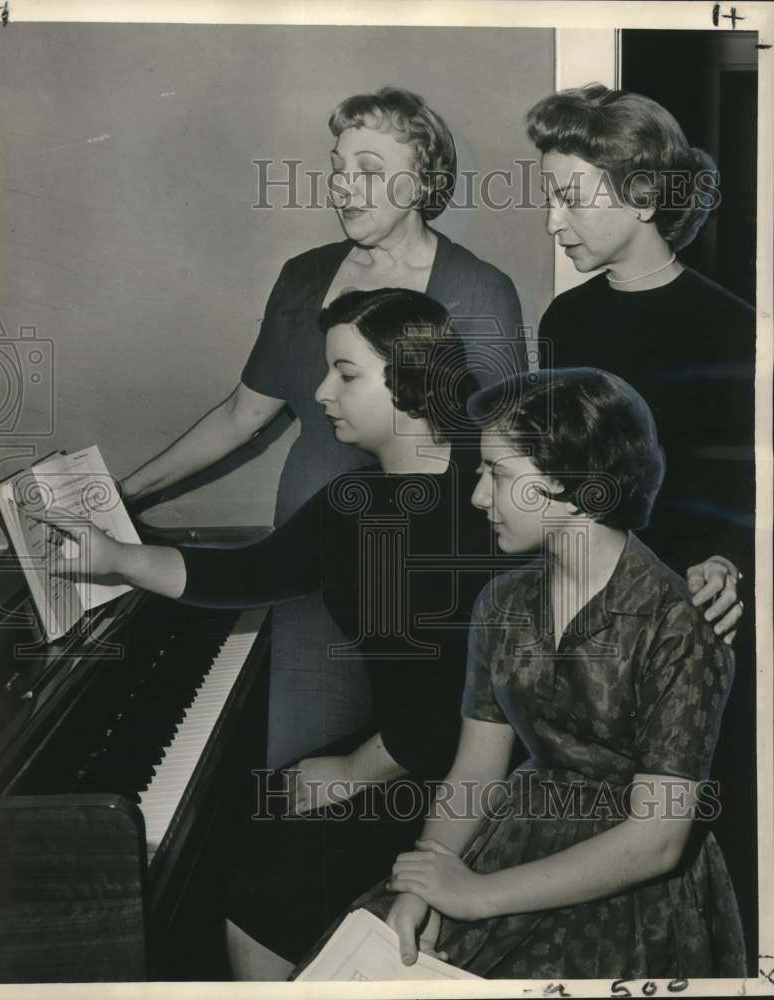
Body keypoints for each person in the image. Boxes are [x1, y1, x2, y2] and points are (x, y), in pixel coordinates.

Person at [36, 289, 510, 980]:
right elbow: (248, 574)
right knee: (263, 807)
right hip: (415, 746)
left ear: (411, 380)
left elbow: (451, 710)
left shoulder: (483, 493)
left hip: (475, 770)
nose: (321, 393)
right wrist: (116, 558)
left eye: (346, 374)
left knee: (265, 875)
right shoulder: (361, 502)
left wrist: (352, 773)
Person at [120, 86, 525, 769]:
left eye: (369, 170)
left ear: (423, 177)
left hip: (431, 583)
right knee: (303, 771)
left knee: (424, 769)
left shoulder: (479, 290)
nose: (344, 187)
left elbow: (506, 447)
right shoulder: (304, 278)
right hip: (309, 563)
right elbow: (241, 415)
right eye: (338, 168)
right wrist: (122, 496)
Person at [307, 368, 745, 980]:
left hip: (632, 886)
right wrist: (424, 881)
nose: (478, 496)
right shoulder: (503, 602)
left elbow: (659, 839)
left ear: (574, 487)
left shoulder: (678, 624)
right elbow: (476, 771)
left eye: (498, 473)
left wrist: (475, 895)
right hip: (514, 833)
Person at [525, 83, 756, 953]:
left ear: (645, 196)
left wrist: (732, 564)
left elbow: (745, 488)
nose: (556, 220)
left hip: (686, 629)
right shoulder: (565, 322)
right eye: (553, 195)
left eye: (572, 196)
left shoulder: (732, 328)